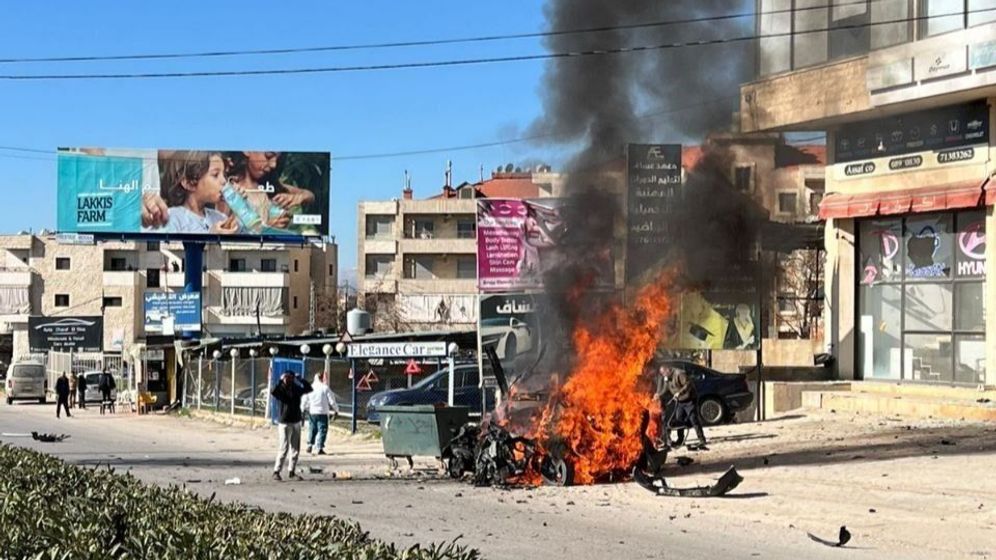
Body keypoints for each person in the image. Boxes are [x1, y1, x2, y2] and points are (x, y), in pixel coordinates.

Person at [143, 150, 239, 234]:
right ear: (189, 183)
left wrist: (240, 210)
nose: (224, 181)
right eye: (215, 175)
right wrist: (210, 238)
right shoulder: (172, 218)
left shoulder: (219, 218)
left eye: (224, 175)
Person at [225, 151, 315, 231]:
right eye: (269, 156)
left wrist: (298, 198)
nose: (273, 164)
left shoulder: (267, 184)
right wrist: (267, 228)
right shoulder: (229, 189)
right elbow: (222, 232)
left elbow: (310, 195)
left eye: (277, 159)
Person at [271, 372, 313, 480]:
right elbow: (273, 392)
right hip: (284, 421)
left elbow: (308, 388)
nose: (288, 380)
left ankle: (292, 471)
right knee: (284, 447)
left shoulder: (296, 389)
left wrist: (300, 379)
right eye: (286, 377)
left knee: (295, 448)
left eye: (290, 377)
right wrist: (280, 381)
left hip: (296, 421)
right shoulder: (281, 389)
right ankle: (276, 471)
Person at [659, 365, 708, 450]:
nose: (663, 375)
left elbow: (688, 384)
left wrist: (680, 393)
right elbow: (666, 389)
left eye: (664, 373)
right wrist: (658, 395)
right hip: (680, 401)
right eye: (662, 374)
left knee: (694, 419)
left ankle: (702, 439)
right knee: (679, 420)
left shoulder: (679, 373)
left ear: (668, 370)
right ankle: (680, 439)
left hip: (689, 399)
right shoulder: (667, 378)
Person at [303, 371, 340, 455]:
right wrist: (336, 410)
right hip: (323, 412)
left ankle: (309, 445)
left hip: (312, 412)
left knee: (312, 429)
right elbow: (332, 400)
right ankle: (319, 447)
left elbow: (305, 399)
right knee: (322, 430)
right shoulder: (325, 388)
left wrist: (303, 409)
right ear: (321, 378)